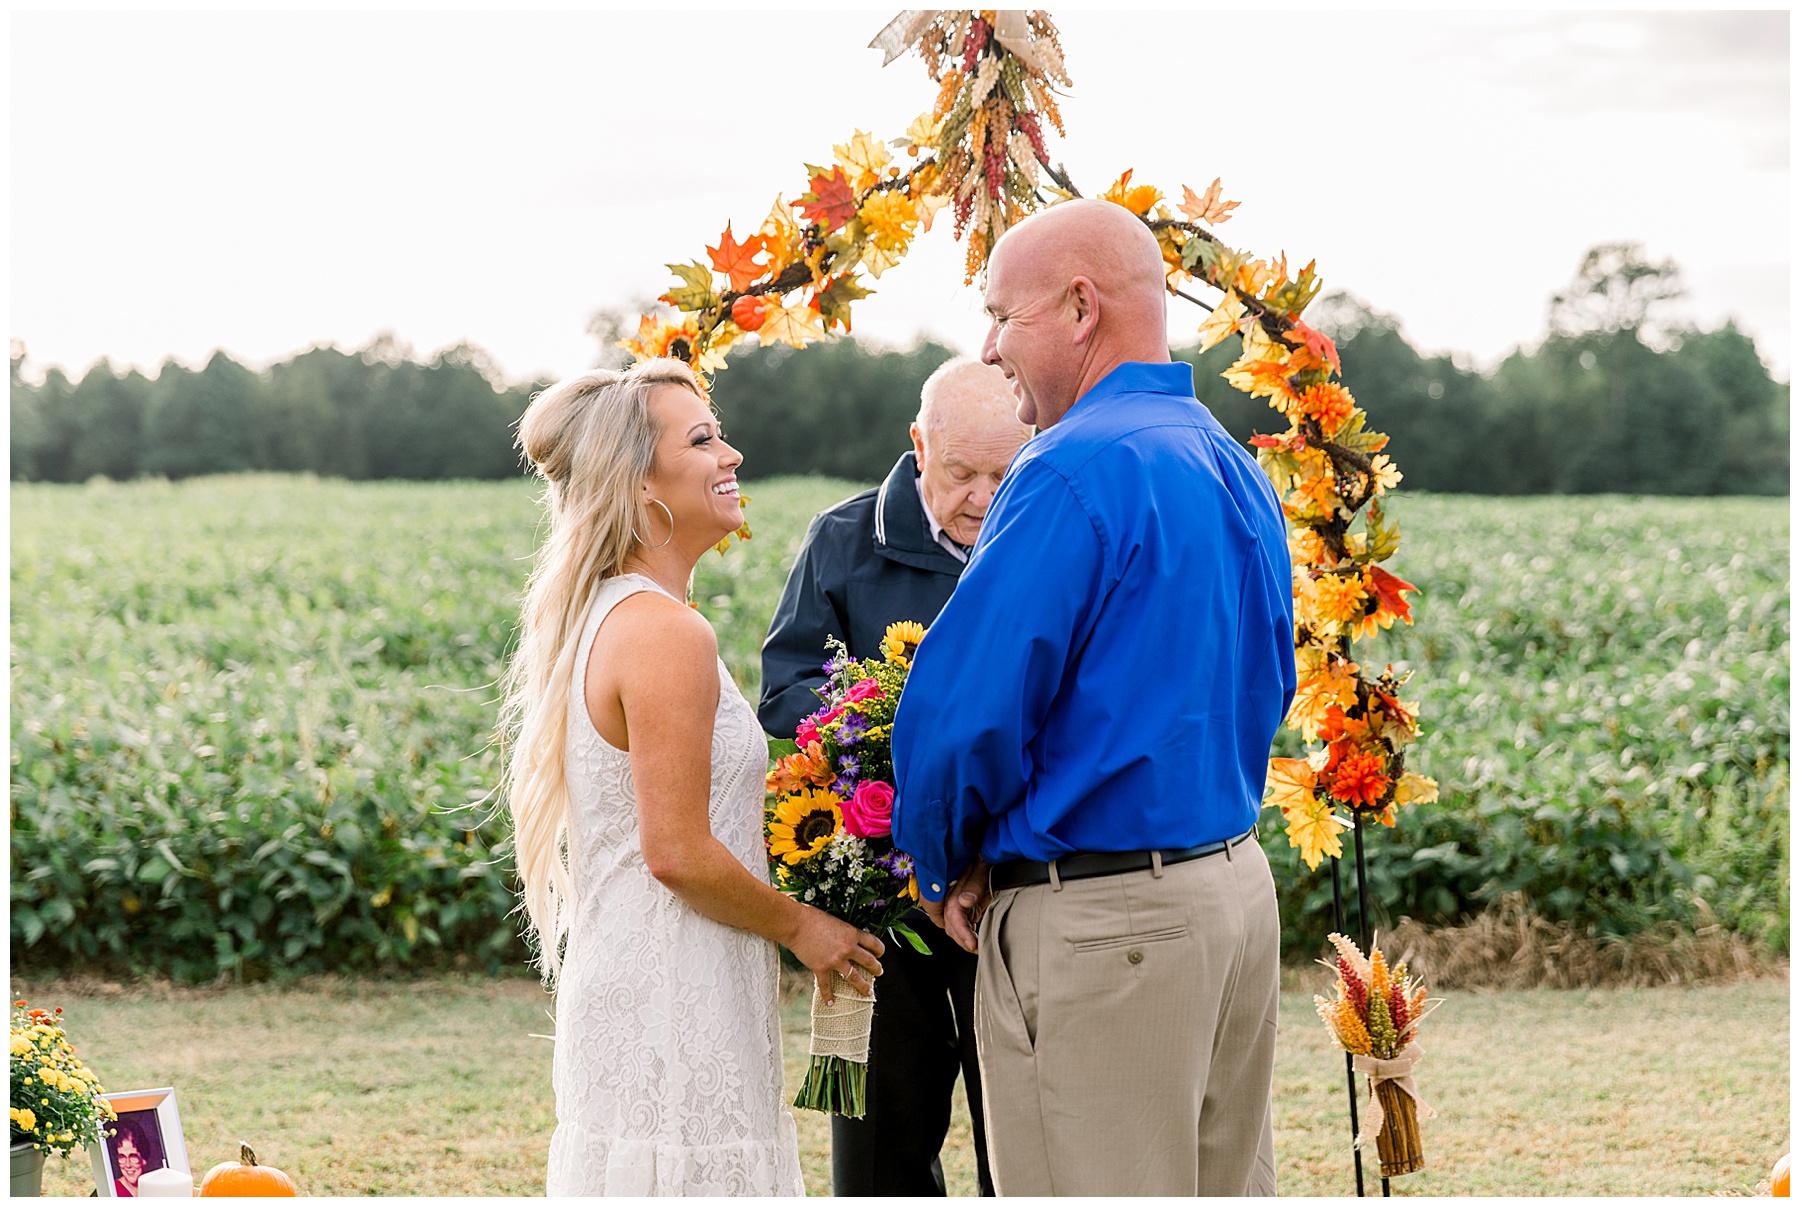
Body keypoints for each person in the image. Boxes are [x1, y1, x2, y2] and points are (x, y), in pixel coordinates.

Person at [890, 199, 1298, 1196]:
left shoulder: (1070, 467)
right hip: (1234, 892)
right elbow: (1271, 679)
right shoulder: (1231, 462)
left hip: (1107, 926)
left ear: (1080, 308)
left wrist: (942, 856)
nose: (989, 349)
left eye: (1003, 316)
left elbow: (967, 708)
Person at [500, 358, 885, 1196]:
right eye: (703, 439)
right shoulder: (663, 631)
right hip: (676, 991)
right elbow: (675, 848)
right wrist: (803, 926)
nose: (732, 454)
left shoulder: (613, 612)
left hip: (651, 978)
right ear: (641, 484)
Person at [760, 357, 1031, 1197]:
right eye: (962, 473)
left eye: (1005, 472)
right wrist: (883, 721)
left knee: (1024, 1128)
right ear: (919, 445)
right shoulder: (842, 539)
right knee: (884, 1134)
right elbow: (784, 687)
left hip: (1011, 885)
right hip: (881, 889)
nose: (985, 496)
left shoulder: (1043, 534)